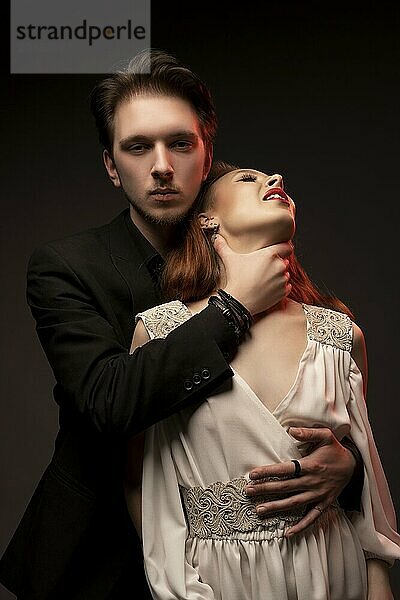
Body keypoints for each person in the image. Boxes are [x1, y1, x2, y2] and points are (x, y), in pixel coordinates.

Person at [0, 50, 363, 600]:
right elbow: (107, 400)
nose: (162, 166)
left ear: (207, 153)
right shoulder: (67, 266)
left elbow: (312, 400)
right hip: (101, 558)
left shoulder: (256, 240)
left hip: (251, 569)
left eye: (181, 143)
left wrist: (347, 465)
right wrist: (231, 309)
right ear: (109, 165)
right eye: (138, 147)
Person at [124, 160, 400, 599]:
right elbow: (143, 483)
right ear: (206, 219)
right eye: (248, 179)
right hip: (219, 582)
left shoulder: (341, 336)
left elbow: (370, 488)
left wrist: (380, 585)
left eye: (272, 178)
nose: (275, 180)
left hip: (333, 570)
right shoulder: (161, 334)